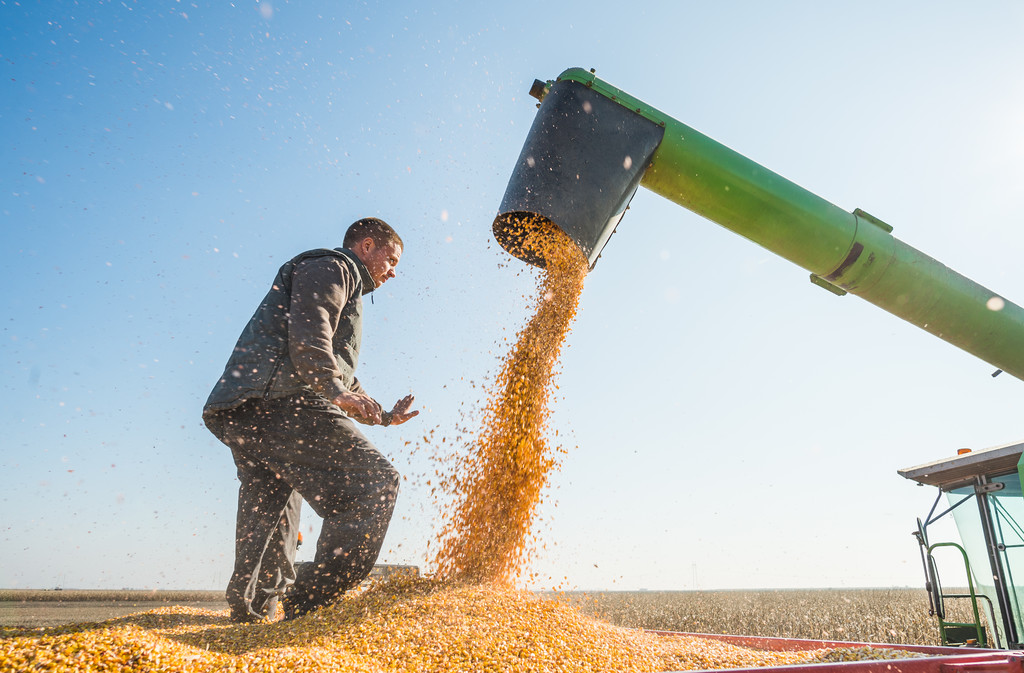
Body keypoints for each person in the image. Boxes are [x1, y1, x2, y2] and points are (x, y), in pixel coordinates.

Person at [202, 217, 418, 622]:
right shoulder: (332, 267)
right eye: (391, 259)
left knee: (270, 510)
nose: (393, 272)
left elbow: (341, 373)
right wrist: (334, 390)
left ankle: (252, 612)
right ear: (367, 245)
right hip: (280, 400)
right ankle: (313, 604)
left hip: (247, 408)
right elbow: (310, 330)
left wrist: (384, 416)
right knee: (373, 485)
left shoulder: (341, 281)